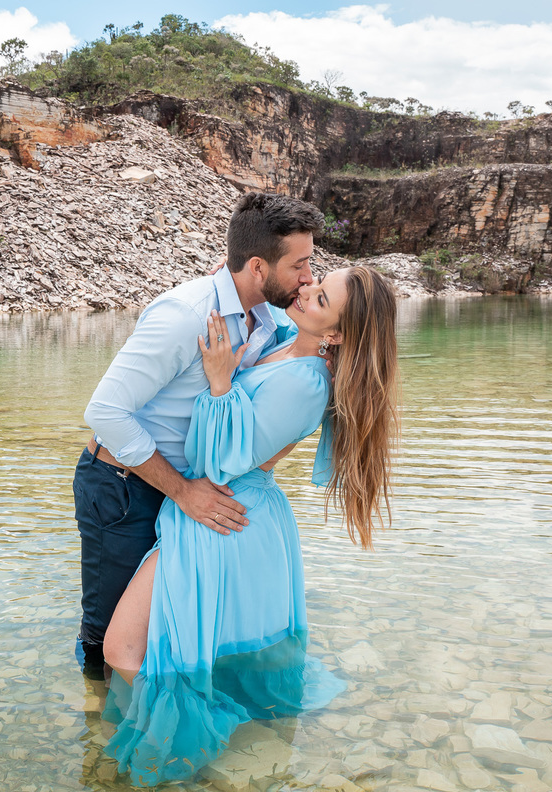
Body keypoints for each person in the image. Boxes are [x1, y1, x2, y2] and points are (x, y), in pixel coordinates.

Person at [101, 266, 400, 786]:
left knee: (123, 649)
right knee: (193, 651)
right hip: (221, 510)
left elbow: (222, 460)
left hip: (223, 512)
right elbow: (258, 309)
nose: (306, 290)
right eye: (315, 279)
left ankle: (220, 735)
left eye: (321, 297)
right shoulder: (287, 340)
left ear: (335, 335)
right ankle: (237, 746)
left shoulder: (308, 382)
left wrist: (220, 382)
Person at [75, 193, 325, 671]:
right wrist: (183, 491)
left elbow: (297, 362)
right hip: (125, 486)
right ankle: (101, 737)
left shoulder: (270, 321)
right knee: (111, 639)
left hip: (188, 492)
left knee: (166, 632)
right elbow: (105, 411)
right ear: (257, 267)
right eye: (299, 265)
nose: (308, 278)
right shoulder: (186, 315)